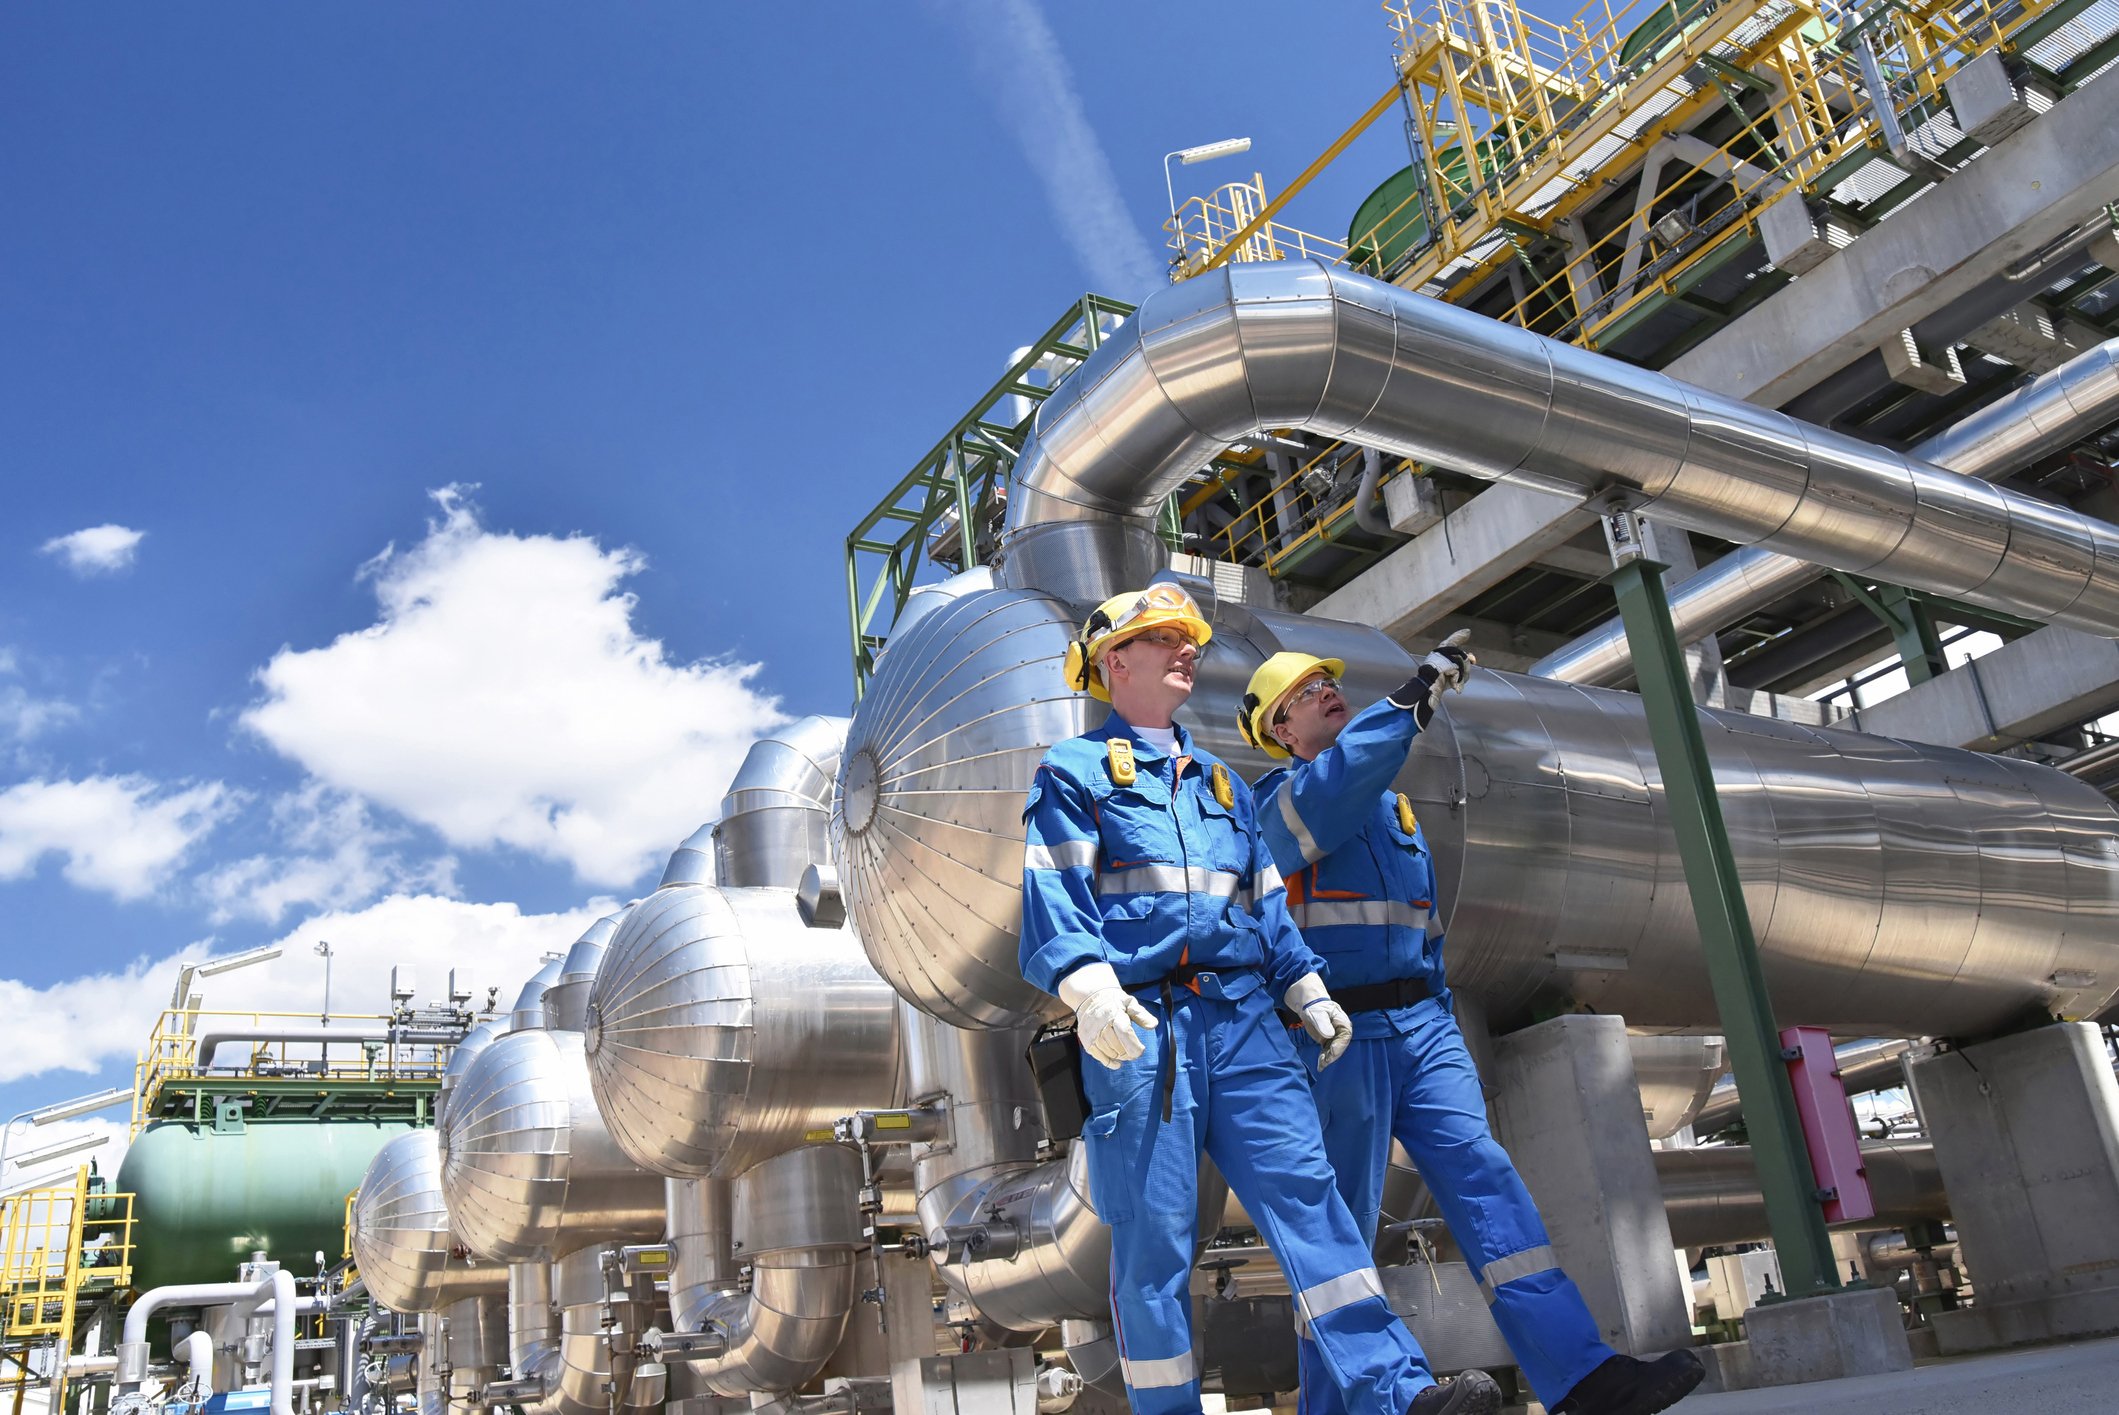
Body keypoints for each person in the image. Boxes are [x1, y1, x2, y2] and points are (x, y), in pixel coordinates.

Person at [1020, 583, 1503, 1415]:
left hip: (1245, 1019)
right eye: (1164, 637)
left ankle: (1395, 1393)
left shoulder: (1221, 783)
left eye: (1189, 638)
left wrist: (1304, 984)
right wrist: (1089, 986)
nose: (1187, 649)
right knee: (1155, 1243)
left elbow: (1265, 902)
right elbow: (1052, 891)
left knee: (1311, 1201)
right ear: (1113, 662)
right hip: (1141, 1027)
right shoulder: (1074, 772)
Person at [1239, 643, 1707, 1415]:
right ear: (1278, 730)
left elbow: (1419, 922)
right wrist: (1412, 697)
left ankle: (1580, 1376)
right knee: (1338, 1231)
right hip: (1335, 1036)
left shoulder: (1390, 808)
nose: (1325, 692)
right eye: (1304, 692)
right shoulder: (1279, 805)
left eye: (1327, 681)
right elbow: (1336, 787)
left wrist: (1436, 1005)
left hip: (1422, 1025)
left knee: (1488, 1185)